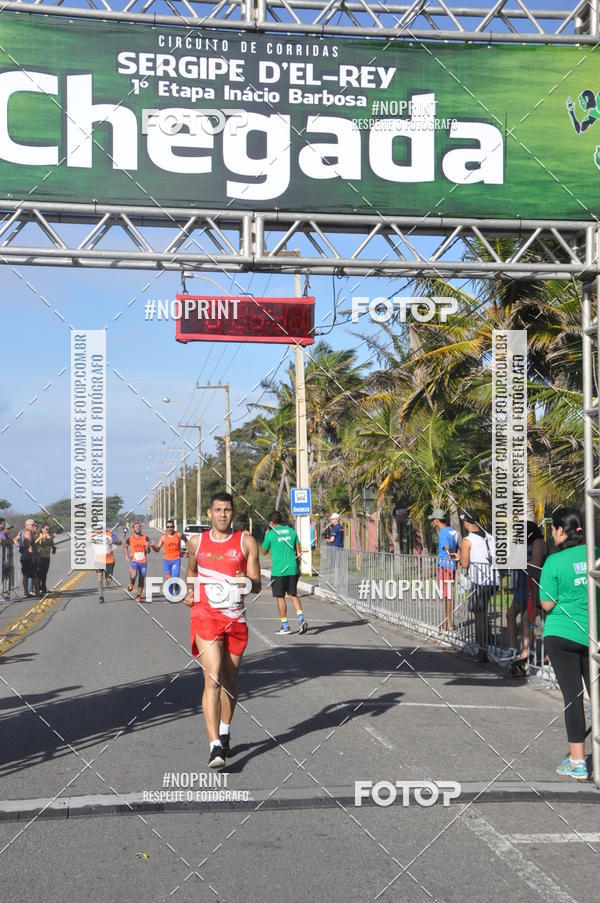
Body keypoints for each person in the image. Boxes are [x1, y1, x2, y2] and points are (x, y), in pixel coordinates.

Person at [185, 492, 261, 768]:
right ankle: (214, 745)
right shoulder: (197, 542)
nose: (222, 514)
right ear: (209, 513)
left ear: (233, 513)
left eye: (227, 510)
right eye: (217, 510)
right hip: (205, 616)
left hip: (235, 619)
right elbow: (191, 571)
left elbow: (257, 584)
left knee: (230, 681)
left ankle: (225, 731)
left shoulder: (246, 542)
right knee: (213, 678)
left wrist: (247, 582)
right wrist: (189, 592)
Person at [539, 508, 599, 781]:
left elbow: (547, 603)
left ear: (562, 530)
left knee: (572, 698)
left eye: (553, 529)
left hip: (562, 635)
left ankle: (577, 761)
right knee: (596, 697)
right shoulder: (595, 553)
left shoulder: (554, 561)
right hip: (593, 634)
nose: (552, 534)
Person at [506, 521, 547, 672]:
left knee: (527, 618)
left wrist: (516, 561)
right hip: (524, 585)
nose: (516, 535)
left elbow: (535, 563)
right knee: (510, 614)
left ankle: (527, 652)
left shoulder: (538, 543)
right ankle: (512, 649)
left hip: (537, 586)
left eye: (519, 532)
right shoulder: (522, 545)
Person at [459, 510, 498, 663]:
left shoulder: (467, 540)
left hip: (479, 581)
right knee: (481, 611)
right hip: (494, 580)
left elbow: (464, 563)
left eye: (464, 522)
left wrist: (460, 557)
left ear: (468, 524)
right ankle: (488, 640)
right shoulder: (490, 537)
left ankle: (482, 650)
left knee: (479, 615)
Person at [262, 511, 308, 635]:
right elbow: (299, 552)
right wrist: (298, 568)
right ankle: (301, 619)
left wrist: (266, 535)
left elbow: (264, 551)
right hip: (292, 568)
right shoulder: (292, 532)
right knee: (293, 595)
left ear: (271, 523)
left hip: (279, 571)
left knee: (280, 597)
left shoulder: (270, 534)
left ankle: (285, 626)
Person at [429, 509, 459, 632]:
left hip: (444, 565)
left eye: (433, 520)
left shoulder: (442, 533)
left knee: (447, 596)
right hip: (452, 566)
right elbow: (458, 546)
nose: (433, 523)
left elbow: (447, 548)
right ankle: (448, 622)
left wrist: (452, 555)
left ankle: (448, 625)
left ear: (437, 520)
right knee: (449, 595)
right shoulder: (453, 531)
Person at [151, 519, 184, 602]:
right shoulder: (163, 537)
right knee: (169, 580)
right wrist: (153, 546)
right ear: (166, 528)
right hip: (166, 561)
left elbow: (186, 541)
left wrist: (187, 551)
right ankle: (170, 597)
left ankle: (176, 587)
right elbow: (158, 549)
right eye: (168, 527)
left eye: (171, 527)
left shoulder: (178, 535)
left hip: (176, 559)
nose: (170, 529)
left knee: (175, 578)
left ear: (174, 527)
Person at [92, 525, 122, 603]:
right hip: (98, 559)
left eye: (100, 528)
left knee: (108, 581)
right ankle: (101, 596)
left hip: (109, 560)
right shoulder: (93, 535)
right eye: (97, 528)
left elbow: (120, 542)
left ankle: (108, 578)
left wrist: (114, 542)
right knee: (99, 576)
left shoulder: (110, 534)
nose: (98, 530)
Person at [125, 521, 151, 602]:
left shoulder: (145, 538)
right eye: (136, 527)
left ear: (140, 528)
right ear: (133, 529)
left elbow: (149, 551)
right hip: (134, 560)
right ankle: (132, 583)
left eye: (139, 527)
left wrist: (148, 546)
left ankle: (139, 595)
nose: (137, 528)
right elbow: (125, 546)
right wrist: (126, 555)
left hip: (143, 561)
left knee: (141, 579)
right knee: (134, 575)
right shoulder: (130, 538)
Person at [14, 518, 39, 597]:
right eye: (32, 525)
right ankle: (37, 592)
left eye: (34, 525)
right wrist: (33, 556)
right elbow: (28, 545)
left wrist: (18, 546)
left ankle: (26, 593)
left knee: (26, 575)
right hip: (29, 557)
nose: (34, 526)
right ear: (27, 525)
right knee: (34, 575)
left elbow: (15, 539)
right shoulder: (28, 532)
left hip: (24, 557)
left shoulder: (21, 531)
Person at [35, 523, 56, 594]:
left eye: (48, 529)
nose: (47, 530)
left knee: (45, 573)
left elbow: (51, 544)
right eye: (46, 529)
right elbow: (41, 544)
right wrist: (43, 538)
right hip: (41, 556)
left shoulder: (49, 536)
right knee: (40, 573)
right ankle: (39, 588)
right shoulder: (39, 535)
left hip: (47, 556)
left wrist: (52, 541)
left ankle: (44, 587)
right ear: (42, 529)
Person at [0, 518, 13, 600]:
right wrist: (7, 542)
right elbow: (2, 541)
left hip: (3, 557)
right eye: (3, 524)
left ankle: (3, 591)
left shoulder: (1, 533)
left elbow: (5, 541)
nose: (4, 526)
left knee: (5, 574)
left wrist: (8, 541)